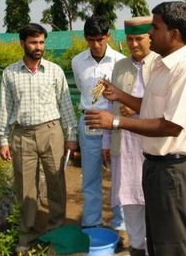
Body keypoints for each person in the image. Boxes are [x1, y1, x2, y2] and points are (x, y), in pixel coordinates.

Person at [85, 1, 186, 256]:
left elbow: (170, 125)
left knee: (173, 244)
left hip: (172, 169)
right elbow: (150, 107)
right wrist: (120, 96)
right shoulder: (164, 66)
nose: (150, 33)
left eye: (155, 27)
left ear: (173, 34)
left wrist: (115, 122)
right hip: (156, 165)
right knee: (158, 240)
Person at [0, 23, 78, 252]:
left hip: (51, 132)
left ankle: (56, 232)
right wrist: (2, 139)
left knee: (56, 183)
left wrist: (71, 134)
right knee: (25, 188)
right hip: (23, 135)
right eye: (33, 42)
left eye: (41, 42)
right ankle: (27, 237)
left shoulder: (54, 71)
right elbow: (5, 107)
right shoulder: (10, 73)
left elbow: (65, 104)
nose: (38, 47)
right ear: (22, 43)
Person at [101, 16, 158, 256]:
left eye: (139, 39)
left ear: (151, 38)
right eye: (130, 39)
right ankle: (137, 246)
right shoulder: (120, 66)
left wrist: (137, 107)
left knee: (151, 199)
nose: (134, 44)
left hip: (151, 145)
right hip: (124, 144)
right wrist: (106, 141)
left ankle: (151, 246)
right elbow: (110, 106)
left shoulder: (162, 64)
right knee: (130, 198)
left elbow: (167, 108)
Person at [71, 15, 126, 232]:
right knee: (91, 177)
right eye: (91, 39)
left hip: (114, 124)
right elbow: (82, 89)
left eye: (100, 39)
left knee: (119, 177)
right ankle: (92, 224)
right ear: (85, 38)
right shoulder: (77, 61)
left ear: (108, 36)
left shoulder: (120, 61)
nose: (96, 45)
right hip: (90, 122)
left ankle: (120, 225)